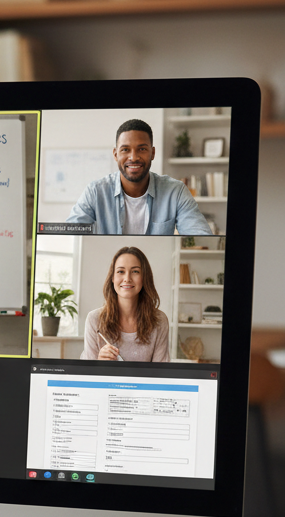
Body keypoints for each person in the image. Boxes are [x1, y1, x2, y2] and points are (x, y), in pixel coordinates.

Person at [67, 118, 211, 236]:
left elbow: (200, 234)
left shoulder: (176, 191)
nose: (133, 157)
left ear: (152, 153)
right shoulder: (95, 191)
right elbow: (71, 235)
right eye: (125, 150)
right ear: (115, 154)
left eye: (142, 149)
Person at [80, 246, 170, 362]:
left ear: (144, 277)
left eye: (135, 271)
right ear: (112, 278)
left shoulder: (159, 321)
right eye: (121, 271)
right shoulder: (94, 319)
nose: (127, 278)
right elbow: (87, 375)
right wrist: (99, 364)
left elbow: (161, 375)